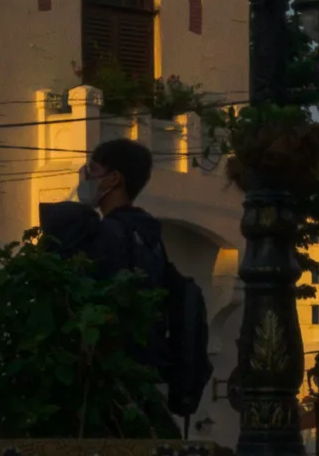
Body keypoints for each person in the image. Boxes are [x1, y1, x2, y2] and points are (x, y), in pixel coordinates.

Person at [39, 137, 211, 417]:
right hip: (147, 373)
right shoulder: (150, 237)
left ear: (114, 179)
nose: (86, 178)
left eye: (92, 171)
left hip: (105, 379)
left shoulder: (106, 234)